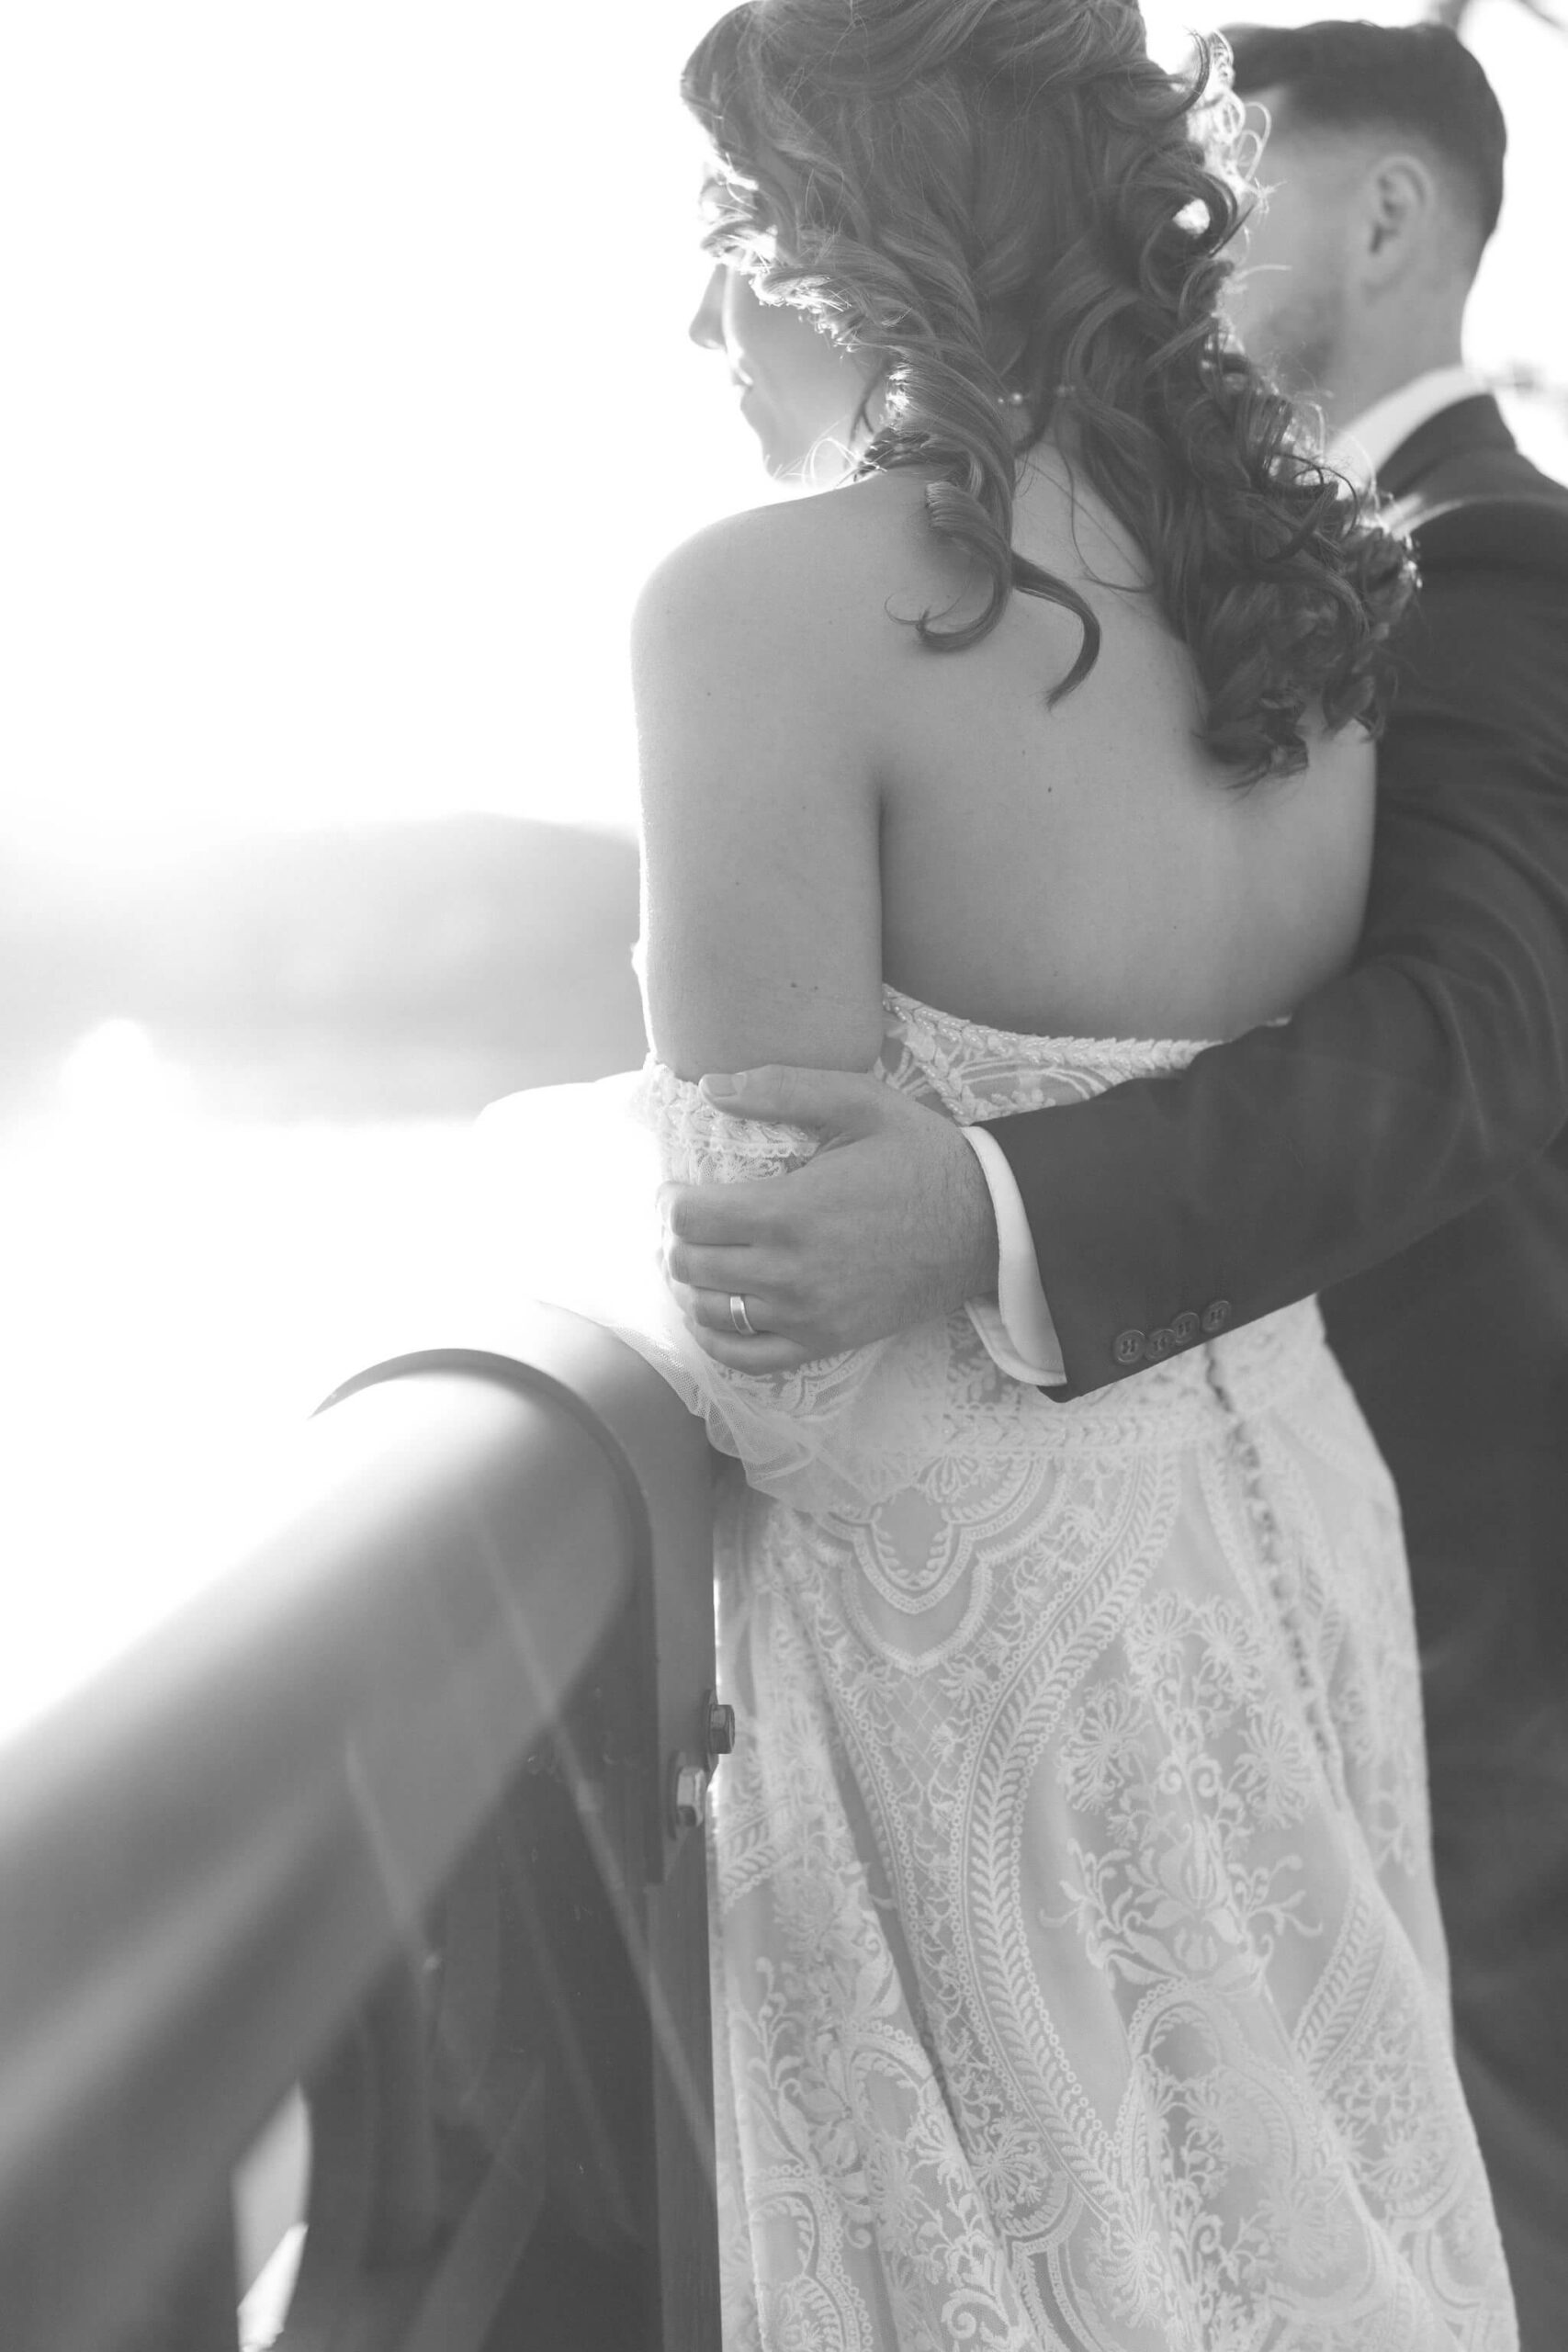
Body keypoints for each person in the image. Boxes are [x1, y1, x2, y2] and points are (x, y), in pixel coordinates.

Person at [611, 0, 1517, 2340]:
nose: (696, 309)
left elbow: (783, 1336)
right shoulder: (1305, 620)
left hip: (975, 1659)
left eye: (718, 233)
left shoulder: (757, 615)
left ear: (833, 240)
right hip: (1282, 1548)